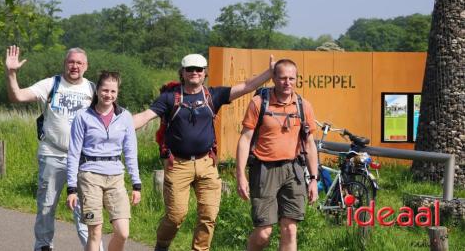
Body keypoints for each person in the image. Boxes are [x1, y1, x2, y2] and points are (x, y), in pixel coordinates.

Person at [133, 53, 274, 251]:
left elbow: (247, 87)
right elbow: (146, 116)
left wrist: (270, 72)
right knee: (175, 216)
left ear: (205, 72)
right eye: (189, 69)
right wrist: (117, 127)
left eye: (199, 69)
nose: (194, 73)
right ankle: (162, 245)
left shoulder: (212, 96)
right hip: (178, 165)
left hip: (207, 163)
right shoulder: (169, 98)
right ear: (182, 72)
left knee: (209, 215)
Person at [5, 45, 102, 251]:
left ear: (86, 66)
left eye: (79, 63)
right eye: (71, 62)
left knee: (86, 210)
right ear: (64, 64)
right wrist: (11, 73)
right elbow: (18, 97)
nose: (74, 66)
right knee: (46, 206)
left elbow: (110, 117)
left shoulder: (93, 89)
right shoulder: (51, 84)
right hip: (53, 155)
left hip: (84, 160)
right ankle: (43, 246)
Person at [235, 59, 319, 251]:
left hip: (294, 169)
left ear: (297, 79)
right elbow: (245, 140)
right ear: (273, 78)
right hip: (264, 169)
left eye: (291, 78)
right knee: (264, 232)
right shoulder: (259, 103)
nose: (287, 82)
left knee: (290, 229)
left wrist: (313, 179)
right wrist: (241, 175)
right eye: (282, 78)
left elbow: (309, 144)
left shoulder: (303, 106)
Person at [66, 71, 141, 251]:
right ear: (97, 90)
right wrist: (71, 188)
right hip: (90, 175)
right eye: (105, 90)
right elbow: (74, 153)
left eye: (113, 91)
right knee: (95, 232)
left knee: (122, 232)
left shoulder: (125, 117)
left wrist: (136, 183)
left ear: (117, 93)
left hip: (115, 176)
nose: (109, 95)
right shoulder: (83, 116)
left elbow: (130, 151)